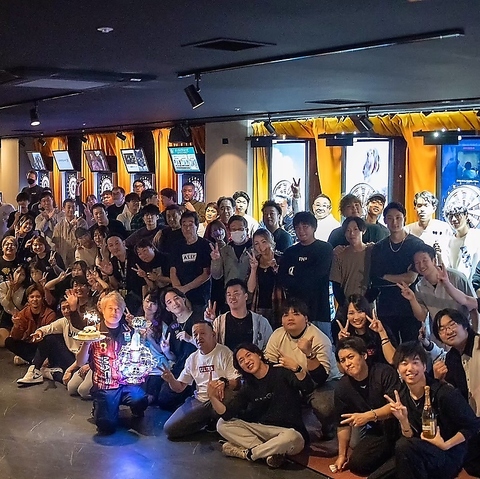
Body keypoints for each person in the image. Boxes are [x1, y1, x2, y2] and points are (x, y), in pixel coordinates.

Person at [383, 341, 480, 479]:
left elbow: (473, 425)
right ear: (398, 369)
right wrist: (403, 421)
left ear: (424, 366)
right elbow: (410, 439)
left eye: (415, 362)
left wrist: (446, 445)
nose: (410, 368)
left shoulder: (444, 393)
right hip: (421, 452)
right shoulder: (402, 397)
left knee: (403, 448)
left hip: (448, 454)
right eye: (404, 363)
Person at [211, 343, 314, 468]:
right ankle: (269, 453)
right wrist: (212, 397)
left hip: (290, 432)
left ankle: (248, 453)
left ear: (259, 355)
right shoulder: (248, 386)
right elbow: (227, 414)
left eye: (248, 355)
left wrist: (297, 369)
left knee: (291, 437)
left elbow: (308, 387)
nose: (246, 361)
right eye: (241, 361)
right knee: (221, 424)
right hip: (263, 431)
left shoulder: (281, 371)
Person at [264, 299, 341, 440]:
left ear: (306, 319)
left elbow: (320, 378)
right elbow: (269, 364)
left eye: (296, 314)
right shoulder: (277, 335)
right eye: (285, 315)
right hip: (294, 379)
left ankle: (329, 426)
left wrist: (309, 354)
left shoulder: (319, 338)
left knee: (323, 405)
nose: (290, 318)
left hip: (324, 382)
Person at [75, 291, 149, 435]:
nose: (114, 312)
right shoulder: (94, 333)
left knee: (140, 399)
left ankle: (131, 408)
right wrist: (87, 343)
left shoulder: (129, 331)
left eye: (118, 309)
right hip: (105, 385)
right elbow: (80, 362)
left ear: (122, 312)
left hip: (126, 383)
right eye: (110, 308)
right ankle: (101, 406)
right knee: (106, 426)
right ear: (102, 310)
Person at [332, 336, 400, 476]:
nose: (347, 364)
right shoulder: (342, 387)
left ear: (364, 355)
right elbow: (343, 424)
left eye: (350, 357)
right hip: (379, 431)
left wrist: (368, 416)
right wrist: (341, 455)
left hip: (402, 427)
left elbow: (394, 406)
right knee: (357, 464)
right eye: (343, 360)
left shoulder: (384, 372)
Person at [161, 321, 240, 439]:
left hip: (220, 397)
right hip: (200, 399)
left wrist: (224, 383)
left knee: (229, 397)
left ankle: (216, 419)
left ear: (213, 335)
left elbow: (237, 381)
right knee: (170, 429)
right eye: (195, 334)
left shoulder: (225, 352)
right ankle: (206, 419)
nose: (198, 337)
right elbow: (179, 387)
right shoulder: (192, 358)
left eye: (202, 333)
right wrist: (171, 379)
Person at [432, 308, 480, 477]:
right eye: (442, 329)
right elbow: (456, 397)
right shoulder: (450, 358)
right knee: (471, 465)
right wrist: (440, 381)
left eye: (452, 324)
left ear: (465, 325)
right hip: (474, 423)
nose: (448, 331)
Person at [369, 202, 425, 343]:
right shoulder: (379, 248)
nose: (394, 222)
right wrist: (401, 277)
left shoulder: (416, 245)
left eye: (398, 218)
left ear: (404, 218)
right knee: (388, 345)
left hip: (410, 306)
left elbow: (411, 278)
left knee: (411, 347)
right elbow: (376, 278)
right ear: (385, 220)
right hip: (386, 306)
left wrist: (386, 276)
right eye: (390, 218)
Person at [397, 243, 478, 334]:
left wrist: (475, 333)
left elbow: (473, 307)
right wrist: (412, 299)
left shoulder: (457, 277)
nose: (421, 266)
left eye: (424, 260)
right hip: (441, 335)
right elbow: (422, 317)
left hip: (462, 332)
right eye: (417, 263)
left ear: (434, 260)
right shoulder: (419, 287)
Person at [278, 212, 333, 338]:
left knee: (322, 345)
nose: (301, 230)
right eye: (297, 227)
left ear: (314, 227)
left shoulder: (324, 249)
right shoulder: (290, 252)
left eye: (305, 226)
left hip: (319, 310)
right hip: (295, 310)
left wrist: (295, 273)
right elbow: (283, 278)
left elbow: (318, 275)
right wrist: (304, 273)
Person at [16, 298, 83, 385]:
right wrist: (39, 332)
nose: (66, 311)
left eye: (69, 307)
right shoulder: (64, 321)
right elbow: (48, 328)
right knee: (49, 338)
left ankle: (50, 373)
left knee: (72, 382)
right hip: (69, 357)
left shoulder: (84, 321)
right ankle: (34, 369)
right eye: (63, 308)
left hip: (82, 360)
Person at [155, 287, 202, 411]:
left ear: (183, 299)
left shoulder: (199, 318)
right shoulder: (172, 327)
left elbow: (210, 346)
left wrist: (190, 339)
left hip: (200, 366)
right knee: (163, 400)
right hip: (181, 368)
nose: (174, 303)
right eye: (169, 302)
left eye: (176, 298)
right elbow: (174, 358)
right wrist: (166, 351)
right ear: (167, 308)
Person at [208, 279, 272, 351]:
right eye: (229, 295)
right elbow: (209, 345)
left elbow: (270, 347)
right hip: (226, 358)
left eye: (236, 294)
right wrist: (209, 322)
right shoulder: (219, 322)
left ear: (246, 296)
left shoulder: (261, 322)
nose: (232, 297)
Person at [4, 284, 56, 367]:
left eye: (38, 297)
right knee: (9, 341)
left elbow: (51, 337)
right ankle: (35, 360)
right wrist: (16, 325)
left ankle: (32, 360)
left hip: (42, 344)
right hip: (29, 343)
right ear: (28, 299)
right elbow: (16, 337)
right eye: (32, 297)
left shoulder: (49, 314)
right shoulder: (23, 313)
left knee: (47, 343)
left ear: (42, 298)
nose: (35, 299)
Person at [336, 294, 396, 365]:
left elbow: (392, 360)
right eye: (351, 313)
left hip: (383, 370)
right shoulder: (345, 335)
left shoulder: (381, 329)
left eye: (360, 311)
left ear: (367, 311)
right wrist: (342, 343)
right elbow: (342, 369)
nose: (356, 317)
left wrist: (382, 333)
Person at [170, 211, 211, 313]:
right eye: (184, 225)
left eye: (190, 225)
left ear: (197, 226)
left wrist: (186, 288)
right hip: (180, 298)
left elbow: (206, 273)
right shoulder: (176, 246)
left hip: (200, 297)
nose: (187, 228)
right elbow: (173, 271)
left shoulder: (205, 245)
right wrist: (178, 290)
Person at [330, 216, 374, 312]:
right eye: (348, 230)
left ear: (363, 231)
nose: (352, 233)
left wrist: (365, 302)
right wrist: (345, 304)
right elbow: (336, 285)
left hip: (368, 305)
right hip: (346, 306)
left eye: (355, 229)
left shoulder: (372, 251)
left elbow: (377, 282)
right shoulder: (339, 254)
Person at [247, 228, 282, 326]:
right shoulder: (255, 261)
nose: (261, 246)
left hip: (278, 306)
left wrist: (275, 267)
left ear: (271, 242)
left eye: (264, 242)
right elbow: (250, 289)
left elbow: (287, 284)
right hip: (258, 306)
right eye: (256, 243)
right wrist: (254, 269)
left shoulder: (281, 259)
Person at [405, 190, 452, 256]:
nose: (422, 209)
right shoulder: (407, 230)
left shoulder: (444, 228)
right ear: (415, 208)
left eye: (426, 205)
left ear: (434, 208)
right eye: (419, 205)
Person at [211, 215, 252, 288]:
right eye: (234, 229)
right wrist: (216, 261)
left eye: (240, 229)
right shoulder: (225, 250)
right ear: (229, 232)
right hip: (231, 292)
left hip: (251, 291)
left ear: (247, 230)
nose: (237, 231)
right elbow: (216, 275)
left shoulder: (254, 248)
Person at [444, 203, 480, 281]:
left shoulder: (476, 236)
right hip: (452, 283)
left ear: (466, 215)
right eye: (450, 216)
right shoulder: (448, 240)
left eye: (457, 215)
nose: (453, 219)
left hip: (474, 283)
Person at [0, 264, 30, 349]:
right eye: (17, 272)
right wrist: (10, 289)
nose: (19, 275)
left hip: (20, 318)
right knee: (3, 342)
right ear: (13, 272)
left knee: (15, 340)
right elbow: (4, 303)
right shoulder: (3, 285)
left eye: (22, 274)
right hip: (7, 317)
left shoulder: (26, 289)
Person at [52, 198, 88, 267]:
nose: (71, 209)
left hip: (78, 257)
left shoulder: (81, 222)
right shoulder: (59, 225)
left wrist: (75, 228)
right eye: (68, 207)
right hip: (63, 258)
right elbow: (55, 243)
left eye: (73, 207)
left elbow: (84, 240)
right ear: (63, 209)